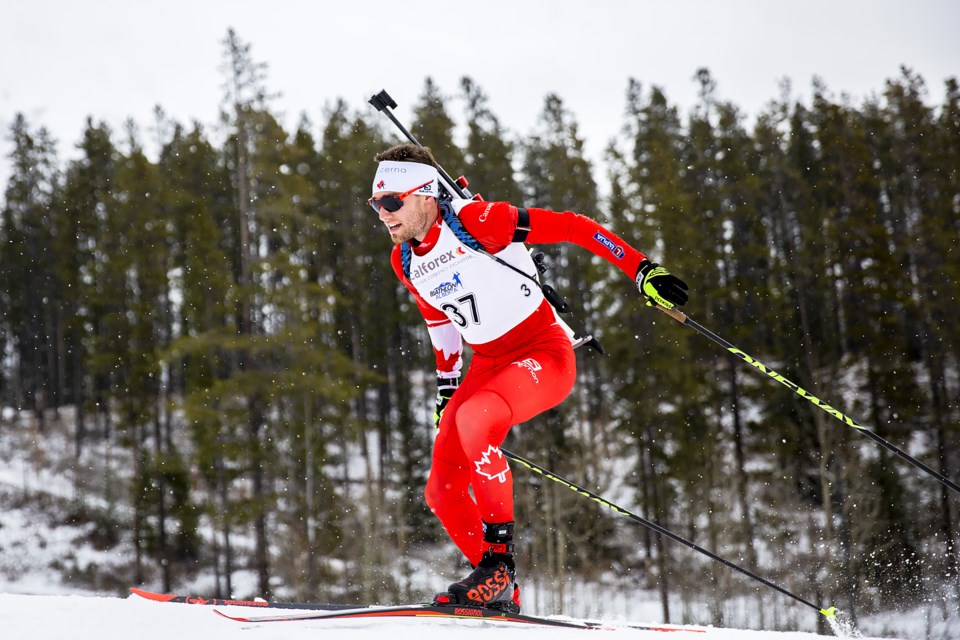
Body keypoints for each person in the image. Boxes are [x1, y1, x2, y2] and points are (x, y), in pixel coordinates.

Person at [369, 143, 689, 613]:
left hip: (543, 354)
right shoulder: (406, 261)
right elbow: (438, 321)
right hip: (487, 365)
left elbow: (576, 227)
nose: (383, 214)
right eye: (376, 204)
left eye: (391, 202)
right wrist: (446, 386)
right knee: (441, 488)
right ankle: (500, 587)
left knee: (477, 421)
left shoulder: (481, 222)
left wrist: (641, 270)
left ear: (424, 195)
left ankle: (499, 565)